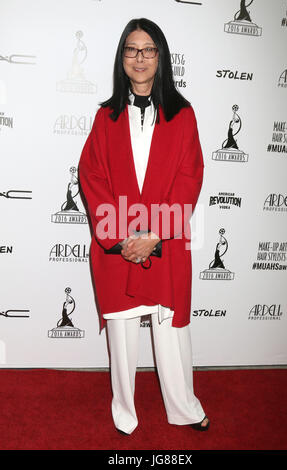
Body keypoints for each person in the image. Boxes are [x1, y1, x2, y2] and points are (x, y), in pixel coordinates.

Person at [78, 18, 209, 436]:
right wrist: (120, 239)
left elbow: (190, 177)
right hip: (117, 245)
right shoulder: (104, 117)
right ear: (122, 58)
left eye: (148, 49)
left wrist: (154, 234)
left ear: (161, 57)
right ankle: (125, 414)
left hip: (164, 242)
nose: (140, 58)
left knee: (171, 333)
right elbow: (91, 177)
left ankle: (185, 407)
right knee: (122, 335)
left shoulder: (183, 115)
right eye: (131, 49)